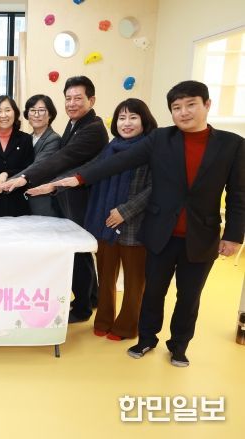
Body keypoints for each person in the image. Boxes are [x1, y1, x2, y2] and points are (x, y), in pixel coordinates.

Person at [41, 81, 244, 367]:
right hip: (160, 233)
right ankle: (146, 339)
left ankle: (179, 346)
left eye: (191, 105)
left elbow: (238, 194)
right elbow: (117, 163)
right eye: (177, 107)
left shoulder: (232, 144)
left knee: (189, 297)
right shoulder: (161, 139)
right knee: (153, 292)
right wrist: (76, 179)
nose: (184, 112)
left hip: (202, 235)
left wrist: (233, 234)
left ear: (207, 105)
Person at [29, 98, 158, 340]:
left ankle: (127, 326)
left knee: (134, 282)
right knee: (106, 276)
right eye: (122, 118)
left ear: (145, 121)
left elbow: (155, 189)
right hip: (104, 221)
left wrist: (125, 211)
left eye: (133, 117)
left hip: (135, 225)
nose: (126, 123)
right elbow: (88, 172)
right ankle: (104, 320)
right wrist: (54, 185)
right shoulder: (110, 148)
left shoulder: (152, 150)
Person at [0, 76, 108, 323]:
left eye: (78, 98)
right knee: (81, 251)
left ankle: (82, 307)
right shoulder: (75, 123)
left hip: (82, 199)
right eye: (68, 98)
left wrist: (24, 178)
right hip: (69, 197)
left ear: (91, 100)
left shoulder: (93, 128)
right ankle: (91, 297)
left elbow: (61, 159)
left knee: (78, 251)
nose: (72, 103)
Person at [19, 94, 62, 217]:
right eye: (32, 110)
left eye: (41, 110)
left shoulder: (53, 139)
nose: (36, 115)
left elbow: (37, 166)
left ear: (50, 114)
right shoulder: (27, 138)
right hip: (25, 200)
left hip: (43, 202)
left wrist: (8, 182)